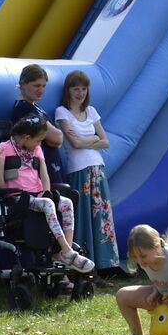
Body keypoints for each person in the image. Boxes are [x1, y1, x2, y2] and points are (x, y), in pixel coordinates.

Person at [0, 115, 94, 273]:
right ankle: (68, 252)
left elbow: (44, 176)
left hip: (37, 195)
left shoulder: (36, 149)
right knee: (48, 204)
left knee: (66, 203)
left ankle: (65, 252)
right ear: (26, 137)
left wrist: (45, 192)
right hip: (18, 199)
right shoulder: (4, 148)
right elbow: (1, 184)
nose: (40, 144)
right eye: (38, 140)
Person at [54, 70, 120, 284]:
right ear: (68, 90)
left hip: (97, 169)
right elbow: (75, 144)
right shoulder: (62, 113)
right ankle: (83, 269)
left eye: (83, 89)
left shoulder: (91, 111)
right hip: (79, 170)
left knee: (100, 219)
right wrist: (93, 138)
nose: (80, 93)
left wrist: (87, 139)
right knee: (82, 218)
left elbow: (106, 141)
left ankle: (100, 269)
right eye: (76, 89)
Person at [11, 64, 66, 185]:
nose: (41, 90)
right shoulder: (24, 109)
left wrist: (52, 138)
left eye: (43, 86)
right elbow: (56, 138)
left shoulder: (35, 107)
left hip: (51, 167)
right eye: (36, 85)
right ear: (23, 84)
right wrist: (51, 139)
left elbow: (56, 139)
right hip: (41, 173)